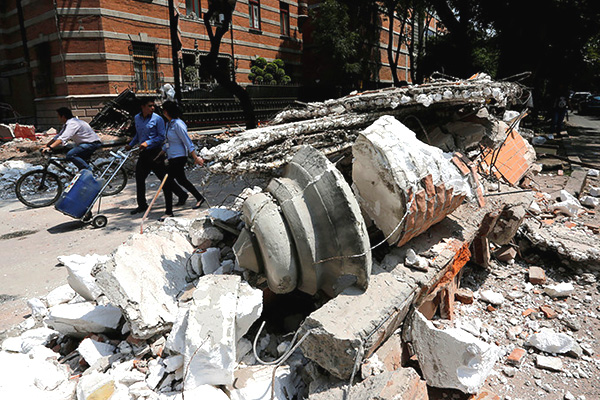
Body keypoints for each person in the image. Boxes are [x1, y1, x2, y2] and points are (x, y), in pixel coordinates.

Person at [125, 97, 187, 215]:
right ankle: (142, 204)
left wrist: (148, 143)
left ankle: (181, 194)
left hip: (155, 153)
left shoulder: (157, 119)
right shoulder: (137, 118)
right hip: (144, 153)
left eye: (153, 105)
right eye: (149, 106)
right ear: (142, 107)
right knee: (139, 178)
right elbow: (138, 135)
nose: (152, 108)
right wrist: (131, 144)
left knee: (164, 178)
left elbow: (162, 137)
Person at [159, 101, 206, 220]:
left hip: (179, 157)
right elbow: (169, 142)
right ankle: (199, 197)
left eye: (164, 109)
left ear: (167, 111)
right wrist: (161, 153)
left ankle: (169, 212)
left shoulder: (178, 124)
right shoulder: (169, 124)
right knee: (181, 180)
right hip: (172, 156)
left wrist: (195, 157)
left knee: (167, 183)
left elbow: (187, 141)